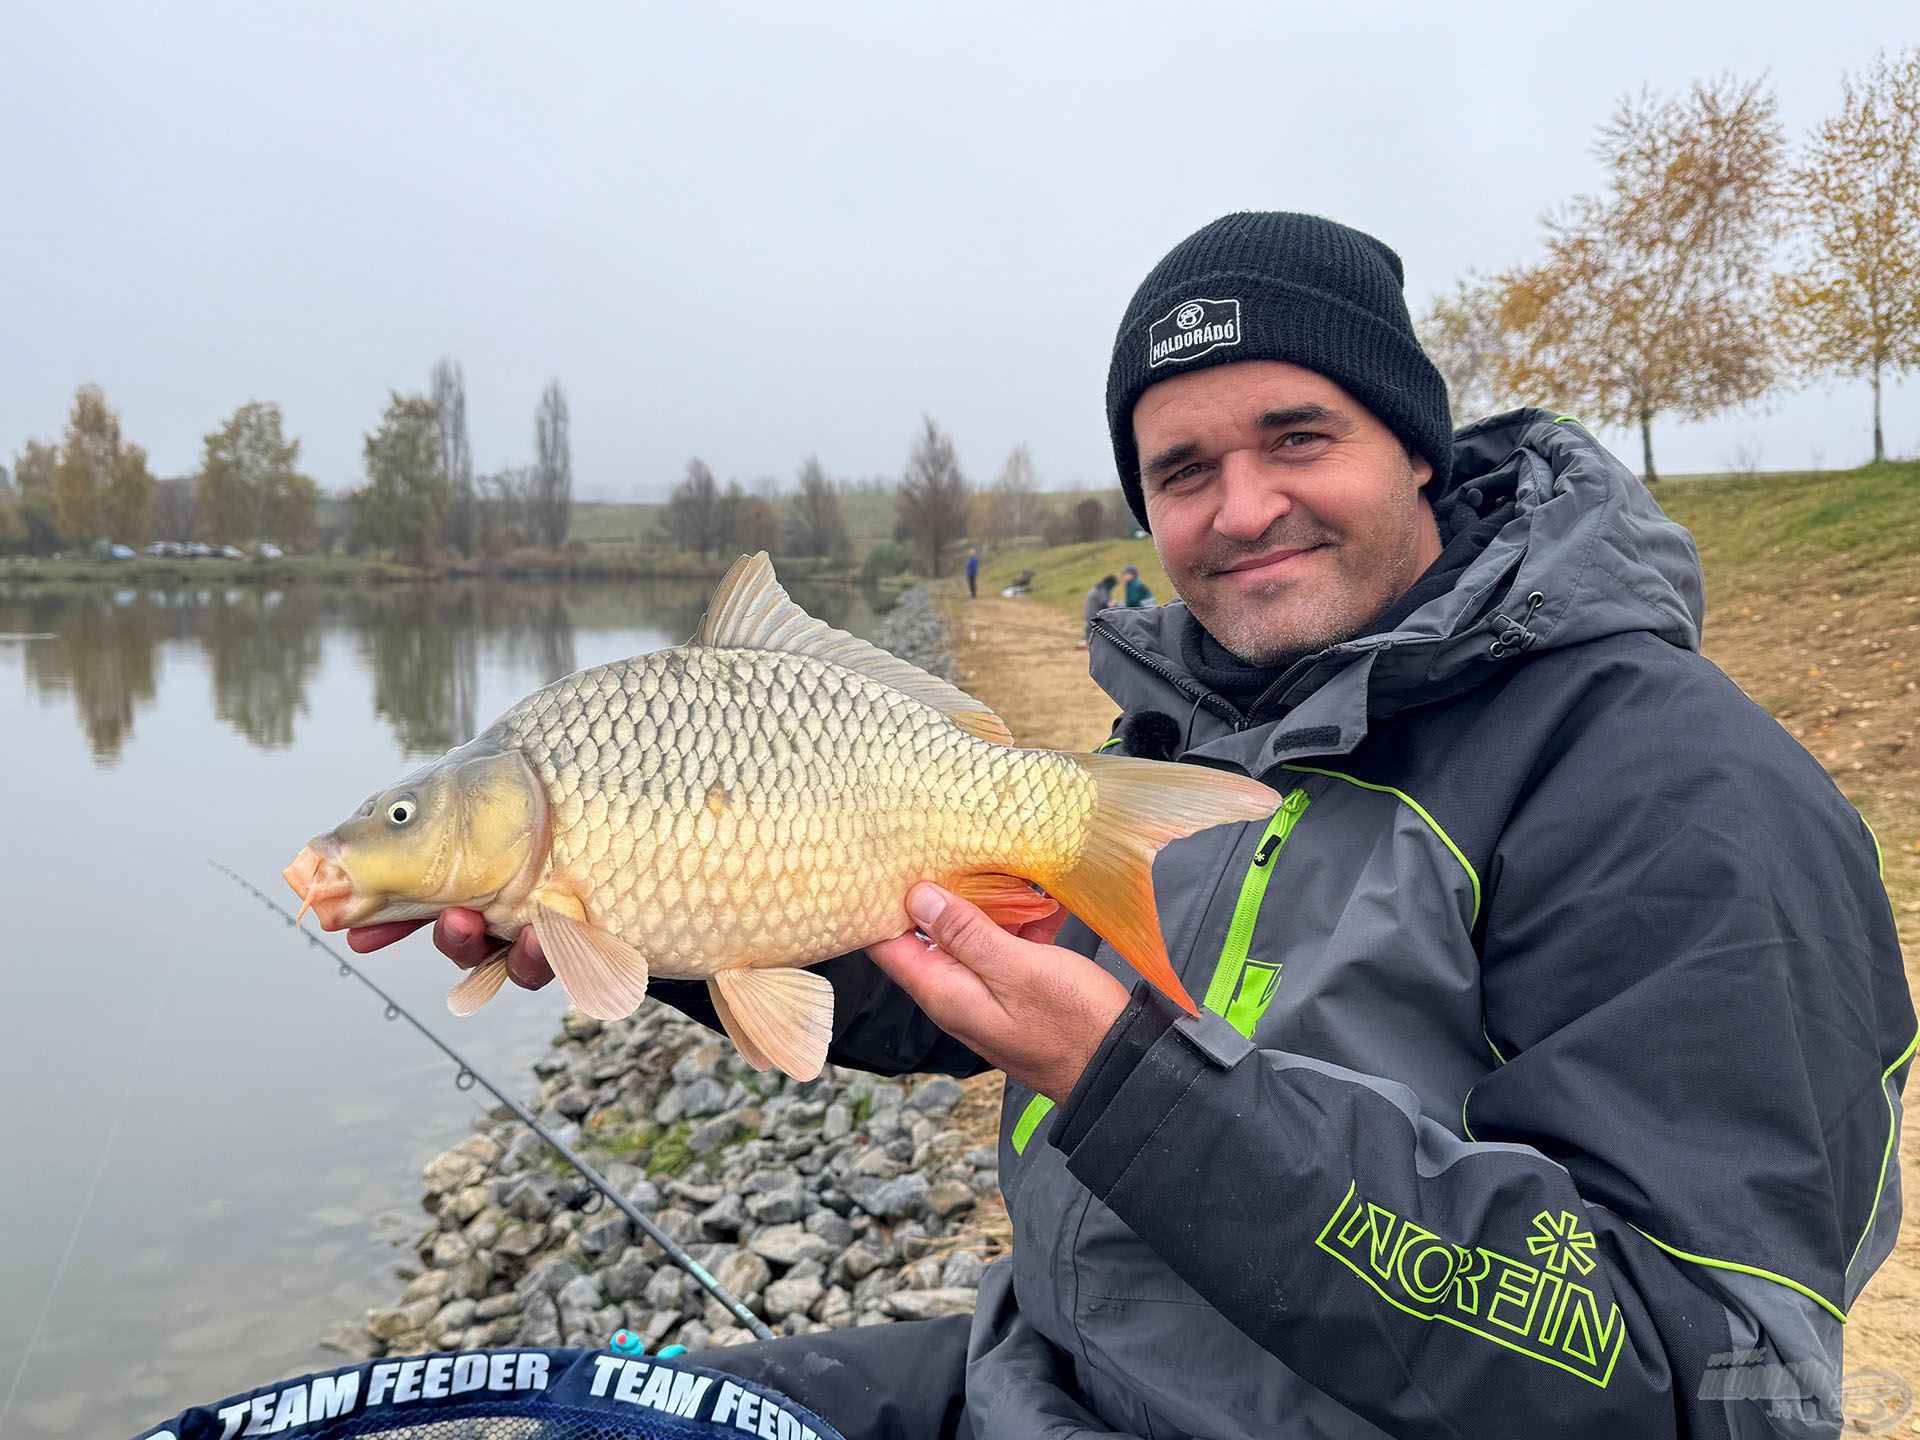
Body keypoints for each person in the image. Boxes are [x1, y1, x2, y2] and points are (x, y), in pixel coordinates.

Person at [353, 212, 1911, 1439]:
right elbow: (966, 969)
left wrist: (1127, 1085)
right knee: (589, 1420)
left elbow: (1697, 1388)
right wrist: (667, 919)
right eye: (1182, 468)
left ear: (1416, 445)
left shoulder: (1680, 792)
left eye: (1296, 436)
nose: (1239, 508)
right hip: (1055, 1376)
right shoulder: (1214, 726)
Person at [1076, 573, 1116, 649]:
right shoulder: (1102, 590)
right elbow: (1106, 603)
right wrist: (1113, 604)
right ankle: (1087, 643)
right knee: (1094, 629)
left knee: (1090, 629)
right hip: (1093, 614)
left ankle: (1086, 642)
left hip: (1089, 613)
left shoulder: (1099, 587)